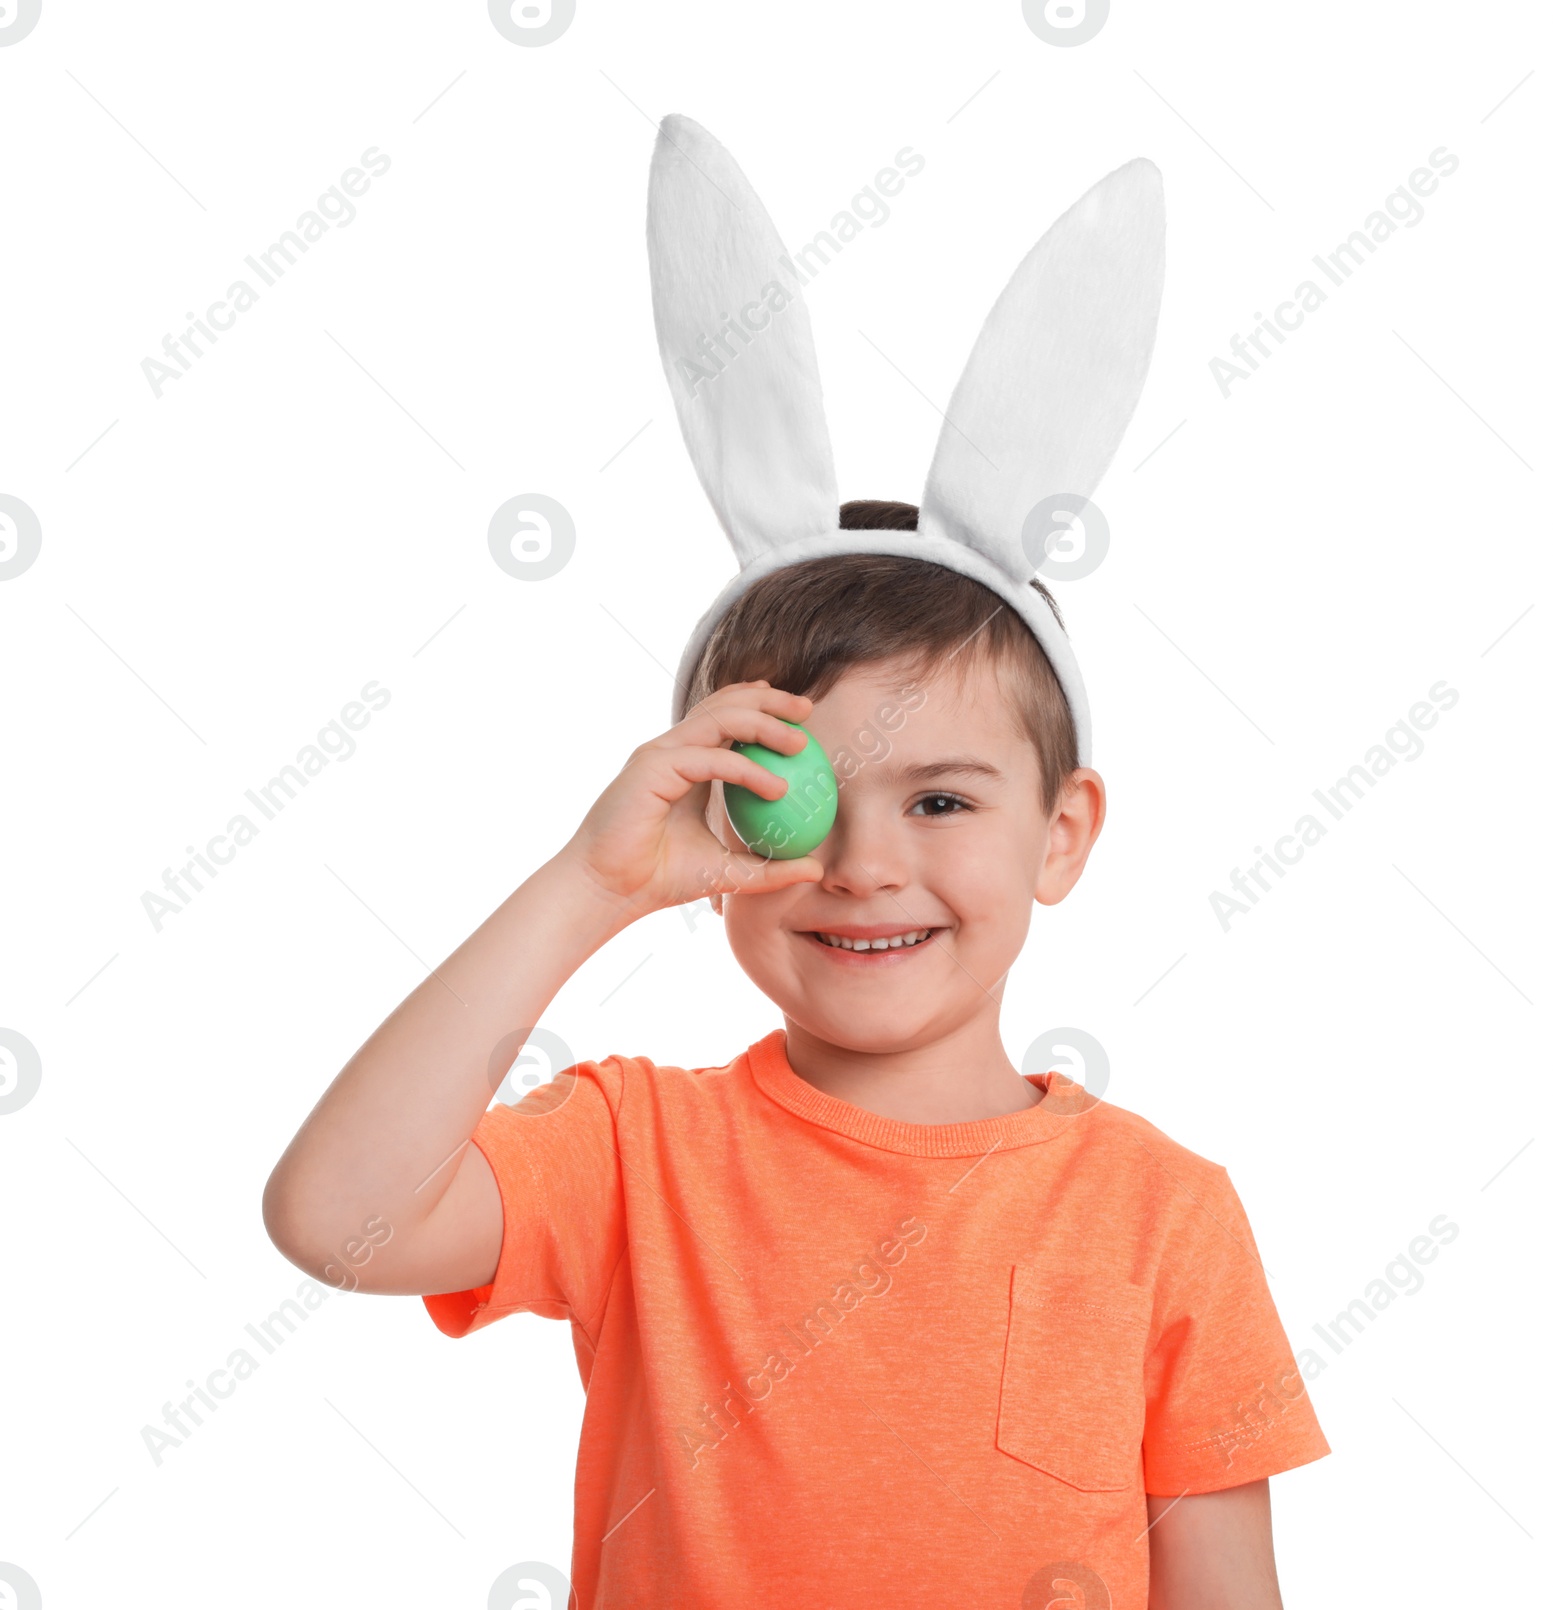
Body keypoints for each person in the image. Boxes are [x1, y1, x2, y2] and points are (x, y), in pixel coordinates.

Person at [262, 496, 1330, 1608]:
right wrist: (590, 885)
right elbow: (336, 1218)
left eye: (940, 798)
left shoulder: (1165, 1209)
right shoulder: (632, 1147)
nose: (863, 865)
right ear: (719, 817)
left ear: (1059, 835)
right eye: (797, 800)